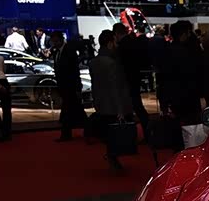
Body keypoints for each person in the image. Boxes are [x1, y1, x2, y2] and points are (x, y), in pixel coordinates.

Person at [89, 30, 134, 171]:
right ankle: (112, 157)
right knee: (115, 134)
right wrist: (121, 109)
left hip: (101, 103)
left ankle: (112, 157)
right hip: (114, 104)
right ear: (110, 43)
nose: (116, 44)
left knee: (108, 134)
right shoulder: (112, 63)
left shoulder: (93, 62)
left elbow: (95, 85)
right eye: (115, 42)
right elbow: (116, 87)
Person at [159, 20, 203, 128]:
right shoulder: (187, 53)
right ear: (183, 34)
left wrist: (164, 102)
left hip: (174, 98)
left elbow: (163, 78)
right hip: (188, 99)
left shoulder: (167, 51)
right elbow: (192, 76)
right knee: (190, 129)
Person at [113, 23, 150, 136]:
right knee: (137, 105)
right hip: (134, 77)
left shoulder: (122, 46)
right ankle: (147, 131)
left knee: (134, 106)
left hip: (127, 80)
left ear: (116, 33)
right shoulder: (132, 42)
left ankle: (139, 132)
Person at [50, 31, 87, 142]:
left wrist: (77, 87)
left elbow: (75, 71)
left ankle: (67, 134)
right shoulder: (57, 52)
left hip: (71, 86)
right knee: (74, 110)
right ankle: (86, 130)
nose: (55, 43)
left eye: (56, 41)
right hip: (64, 86)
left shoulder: (69, 51)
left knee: (69, 110)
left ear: (61, 40)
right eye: (53, 42)